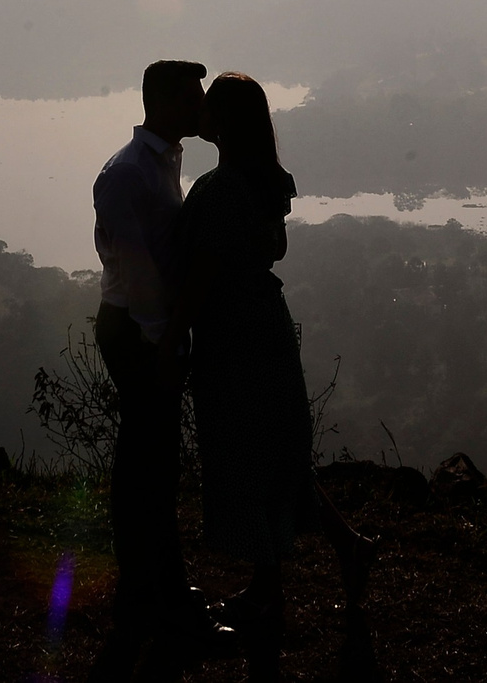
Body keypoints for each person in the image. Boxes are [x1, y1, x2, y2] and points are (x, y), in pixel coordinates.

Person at [177, 71, 379, 678]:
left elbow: (203, 272)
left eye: (213, 107)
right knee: (275, 453)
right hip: (266, 324)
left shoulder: (217, 192)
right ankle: (307, 568)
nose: (203, 114)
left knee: (248, 453)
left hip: (233, 335)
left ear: (227, 122)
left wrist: (178, 335)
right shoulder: (263, 182)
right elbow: (269, 252)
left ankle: (282, 583)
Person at [89, 59, 228, 680]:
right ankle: (159, 598)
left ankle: (152, 592)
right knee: (148, 466)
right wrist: (166, 347)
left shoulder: (160, 163)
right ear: (166, 102)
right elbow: (138, 274)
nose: (201, 106)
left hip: (146, 331)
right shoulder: (127, 175)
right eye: (193, 95)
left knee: (150, 464)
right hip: (138, 333)